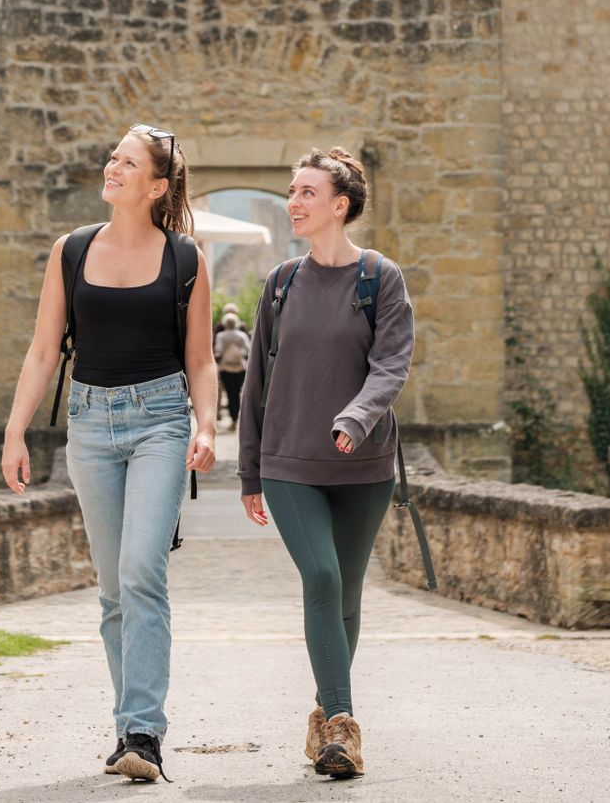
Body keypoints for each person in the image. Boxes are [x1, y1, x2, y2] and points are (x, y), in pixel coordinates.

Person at [1, 124, 217, 784]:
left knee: (140, 571)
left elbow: (202, 360)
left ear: (156, 185)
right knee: (112, 589)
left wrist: (206, 426)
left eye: (127, 161)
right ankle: (129, 726)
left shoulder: (185, 259)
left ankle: (145, 733)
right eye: (112, 157)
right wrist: (15, 431)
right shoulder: (69, 251)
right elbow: (44, 351)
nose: (111, 166)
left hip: (160, 421)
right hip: (90, 426)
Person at [238, 146, 414, 781]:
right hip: (289, 461)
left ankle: (323, 720)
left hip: (363, 463)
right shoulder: (281, 283)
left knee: (347, 592)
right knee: (321, 576)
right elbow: (257, 377)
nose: (294, 202)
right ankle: (343, 722)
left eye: (307, 192)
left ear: (340, 205)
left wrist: (356, 417)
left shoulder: (380, 279)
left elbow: (391, 364)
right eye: (292, 191)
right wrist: (249, 470)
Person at [213, 307, 251, 428]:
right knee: (237, 393)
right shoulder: (242, 335)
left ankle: (233, 417)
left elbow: (218, 351)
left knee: (230, 393)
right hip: (240, 368)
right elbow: (247, 350)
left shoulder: (221, 336)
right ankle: (236, 418)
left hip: (225, 368)